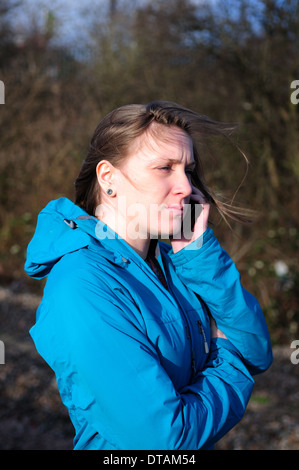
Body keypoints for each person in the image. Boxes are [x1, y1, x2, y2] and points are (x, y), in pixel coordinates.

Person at [25, 101, 272, 450]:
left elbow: (259, 351)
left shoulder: (177, 261)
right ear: (109, 178)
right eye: (164, 168)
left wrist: (199, 253)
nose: (185, 186)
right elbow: (164, 441)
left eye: (187, 169)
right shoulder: (83, 285)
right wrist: (229, 355)